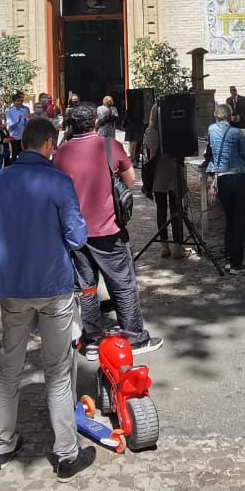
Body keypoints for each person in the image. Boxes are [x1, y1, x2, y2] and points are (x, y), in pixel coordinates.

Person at [0, 115, 97, 481]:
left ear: (21, 143)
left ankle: (3, 442)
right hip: (53, 285)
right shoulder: (58, 182)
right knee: (58, 370)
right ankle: (66, 452)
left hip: (12, 285)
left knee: (9, 366)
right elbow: (78, 237)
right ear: (50, 144)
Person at [54, 102, 162, 353]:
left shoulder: (61, 153)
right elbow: (130, 180)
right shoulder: (110, 146)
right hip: (108, 229)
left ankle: (91, 339)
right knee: (122, 282)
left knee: (87, 287)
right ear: (96, 123)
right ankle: (135, 336)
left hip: (76, 232)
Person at [207, 103, 245, 271]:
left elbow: (210, 152)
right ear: (229, 116)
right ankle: (237, 262)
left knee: (229, 219)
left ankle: (228, 258)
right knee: (239, 220)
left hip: (222, 179)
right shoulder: (237, 133)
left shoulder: (211, 130)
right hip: (240, 177)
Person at [142, 103, 189, 258]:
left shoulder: (149, 132)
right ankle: (177, 246)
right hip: (173, 170)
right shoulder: (174, 131)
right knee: (176, 210)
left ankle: (164, 246)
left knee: (161, 210)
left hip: (158, 173)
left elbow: (150, 152)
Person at [6, 92, 30, 157]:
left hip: (23, 136)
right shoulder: (10, 112)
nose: (20, 102)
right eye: (18, 101)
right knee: (14, 155)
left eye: (21, 101)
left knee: (23, 155)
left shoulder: (24, 110)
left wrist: (26, 120)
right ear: (14, 102)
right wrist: (17, 121)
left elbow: (27, 124)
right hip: (14, 137)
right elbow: (10, 124)